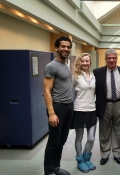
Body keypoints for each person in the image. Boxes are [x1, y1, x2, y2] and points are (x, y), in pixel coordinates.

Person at [93, 48, 120, 165]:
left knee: (118, 131)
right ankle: (104, 154)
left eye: (114, 58)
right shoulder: (97, 72)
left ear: (117, 59)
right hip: (105, 104)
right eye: (109, 58)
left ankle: (117, 154)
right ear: (105, 59)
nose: (111, 60)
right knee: (104, 131)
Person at [43, 36, 73, 175]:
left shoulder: (65, 65)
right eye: (63, 46)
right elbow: (47, 91)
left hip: (68, 106)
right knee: (54, 140)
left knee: (62, 139)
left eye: (68, 47)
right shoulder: (51, 66)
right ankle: (49, 170)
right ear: (56, 48)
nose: (66, 49)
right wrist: (51, 113)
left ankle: (56, 167)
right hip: (57, 107)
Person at [71, 53, 97, 173]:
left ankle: (87, 158)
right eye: (83, 61)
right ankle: (80, 160)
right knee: (79, 137)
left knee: (91, 138)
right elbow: (66, 90)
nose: (85, 63)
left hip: (92, 109)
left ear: (90, 62)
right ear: (79, 62)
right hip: (79, 110)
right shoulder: (75, 76)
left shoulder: (93, 75)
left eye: (87, 61)